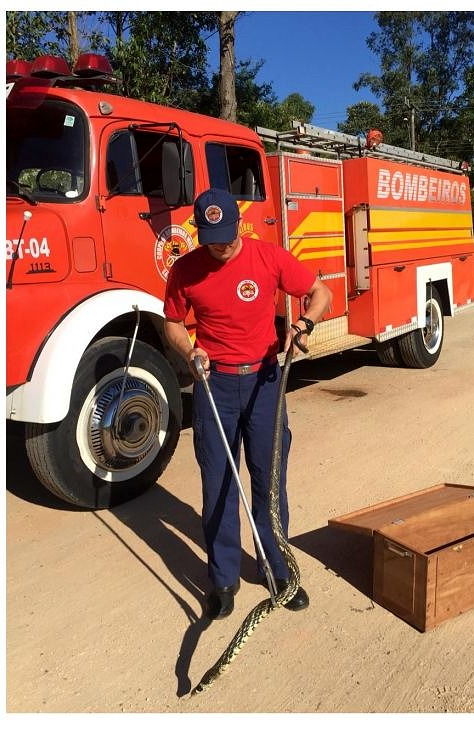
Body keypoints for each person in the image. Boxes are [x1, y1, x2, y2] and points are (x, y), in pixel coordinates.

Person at [164, 188, 333, 619]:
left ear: (238, 225)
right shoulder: (185, 270)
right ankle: (222, 578)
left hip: (264, 381)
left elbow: (319, 292)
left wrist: (304, 324)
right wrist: (191, 353)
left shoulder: (268, 257)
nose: (220, 246)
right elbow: (172, 323)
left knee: (268, 479)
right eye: (210, 237)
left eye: (226, 235)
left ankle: (276, 568)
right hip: (214, 384)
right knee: (218, 483)